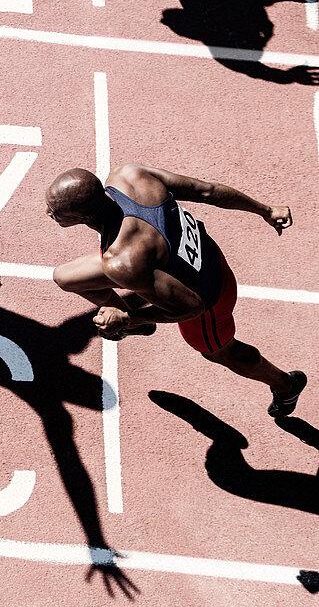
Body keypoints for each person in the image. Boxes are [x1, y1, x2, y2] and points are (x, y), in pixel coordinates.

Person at [45, 164, 306, 418]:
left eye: (56, 211)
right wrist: (266, 210)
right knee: (66, 277)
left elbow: (192, 308)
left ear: (83, 217)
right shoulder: (130, 175)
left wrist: (128, 317)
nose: (48, 213)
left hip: (210, 297)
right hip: (189, 257)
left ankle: (286, 385)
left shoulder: (123, 262)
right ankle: (133, 326)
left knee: (222, 353)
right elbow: (207, 191)